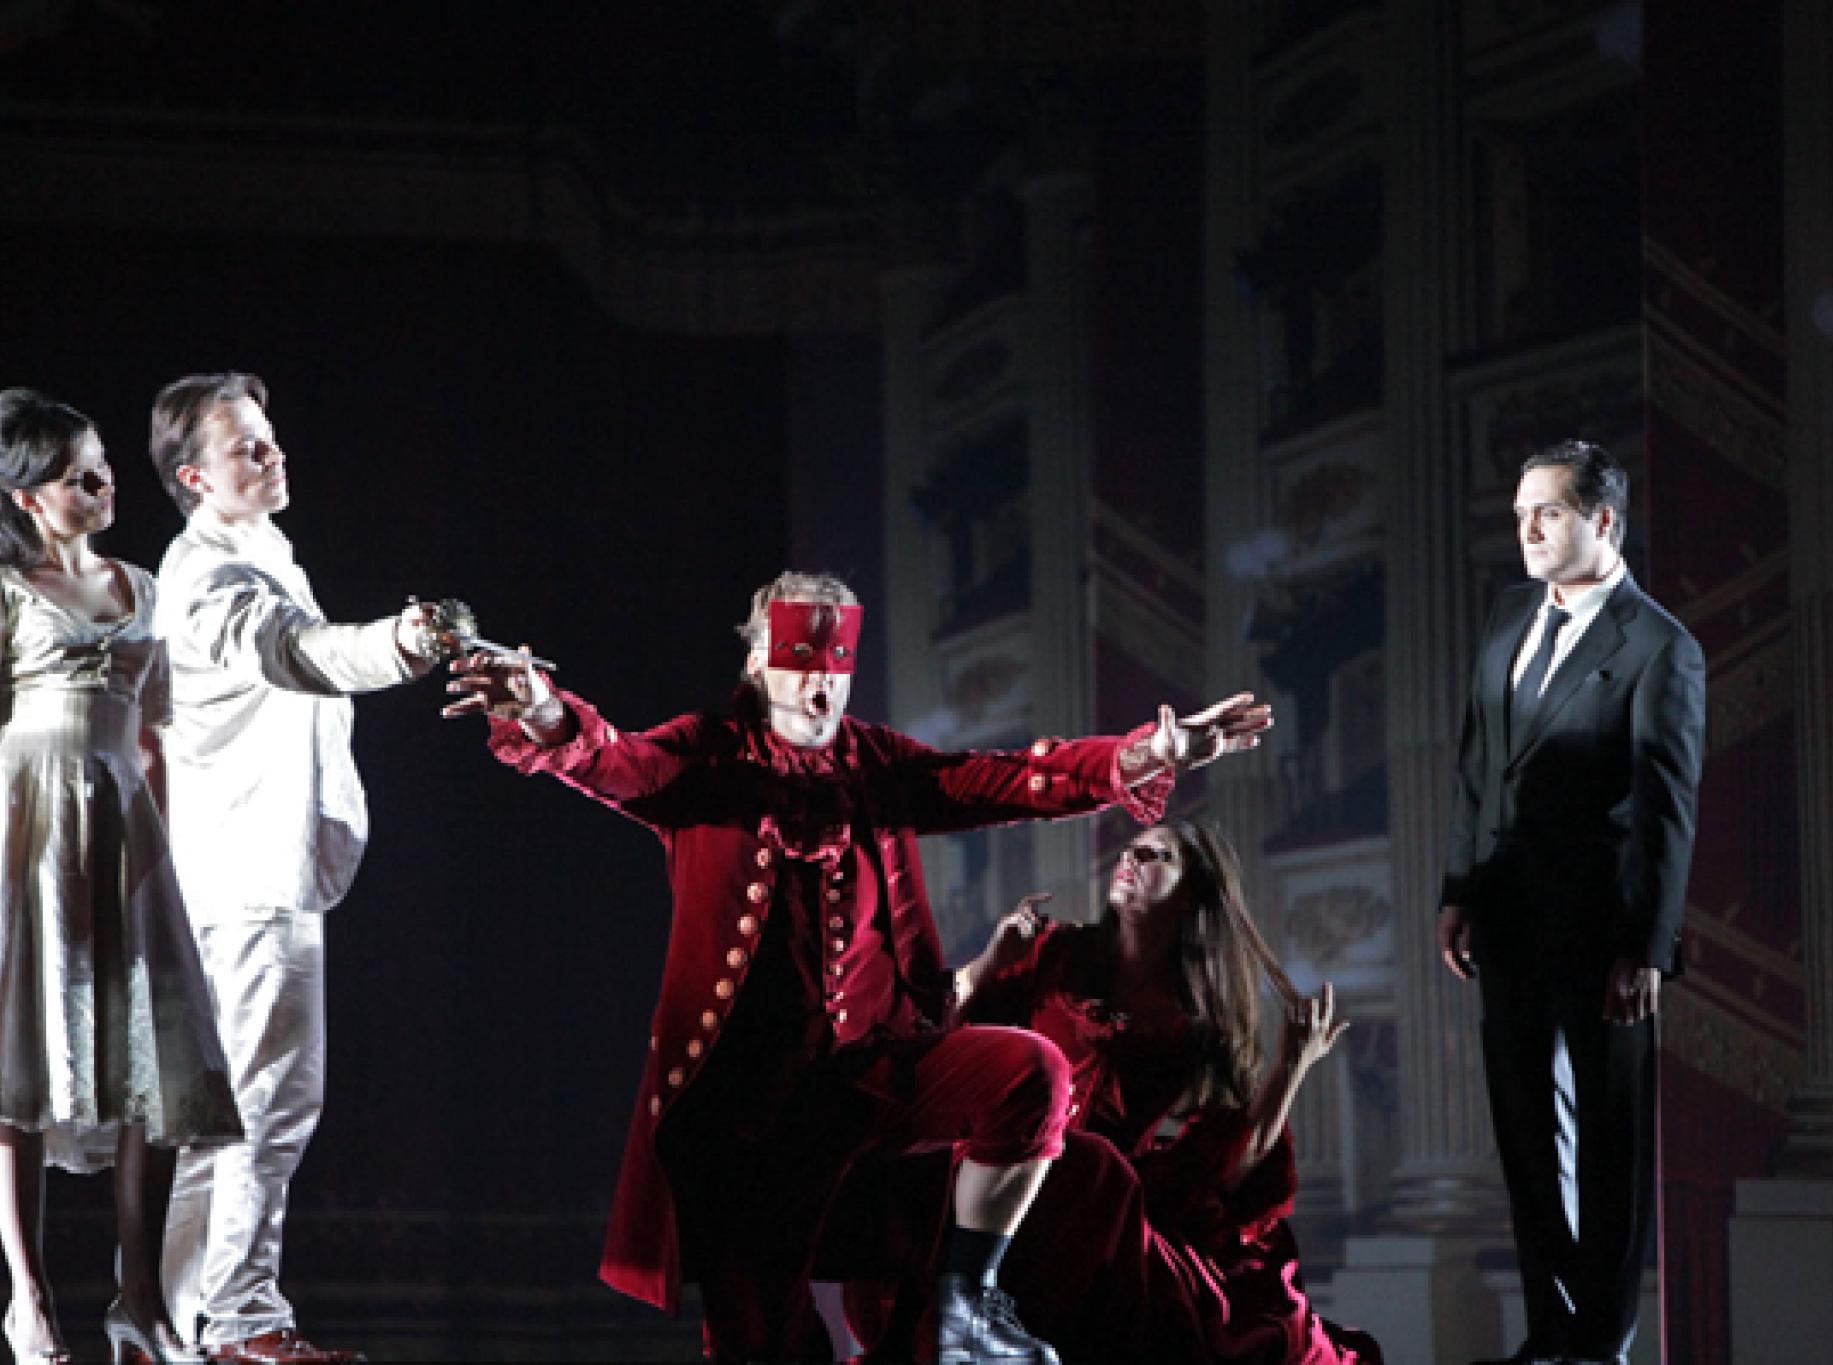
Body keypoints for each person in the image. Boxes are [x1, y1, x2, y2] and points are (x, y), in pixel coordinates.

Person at [441, 571, 1270, 1365]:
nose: (820, 690)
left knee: (1030, 1072)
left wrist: (1147, 751)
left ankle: (965, 1308)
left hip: (877, 1077)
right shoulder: (711, 755)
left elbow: (1014, 779)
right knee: (764, 1338)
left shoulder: (878, 766)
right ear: (759, 661)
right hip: (753, 1122)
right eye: (801, 664)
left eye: (836, 669)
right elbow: (616, 761)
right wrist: (546, 711)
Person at [838, 819, 1382, 1365]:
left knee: (1166, 1285)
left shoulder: (1197, 1024)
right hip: (1001, 1168)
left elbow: (1228, 1175)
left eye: (1157, 856)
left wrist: (1291, 1066)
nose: (1131, 857)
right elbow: (937, 1034)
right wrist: (991, 963)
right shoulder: (1054, 951)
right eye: (1130, 849)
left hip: (1093, 1207)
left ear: (1193, 893)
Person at [147, 373, 447, 1365]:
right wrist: (405, 645)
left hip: (238, 873)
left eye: (270, 440)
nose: (272, 455)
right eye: (246, 448)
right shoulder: (212, 579)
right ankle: (236, 1325)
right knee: (268, 1107)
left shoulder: (258, 555)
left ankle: (192, 1329)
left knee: (224, 1117)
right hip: (249, 877)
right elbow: (302, 655)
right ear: (194, 476)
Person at [1438, 440, 1706, 1365]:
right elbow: (1481, 762)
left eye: (1546, 511)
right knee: (1523, 1135)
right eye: (1519, 513)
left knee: (1610, 1146)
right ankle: (1552, 1330)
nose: (1527, 529)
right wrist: (1459, 889)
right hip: (1505, 923)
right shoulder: (1509, 613)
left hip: (1604, 935)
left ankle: (1600, 1342)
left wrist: (1649, 949)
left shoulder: (1662, 645)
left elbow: (1667, 811)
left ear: (1602, 519)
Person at [0, 389, 243, 1365]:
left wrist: (166, 851)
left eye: (102, 465)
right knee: (16, 1061)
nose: (101, 483)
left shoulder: (143, 586)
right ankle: (27, 1298)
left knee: (156, 1057)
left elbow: (154, 733)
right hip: (25, 825)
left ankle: (137, 1297)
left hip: (126, 826)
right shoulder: (10, 594)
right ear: (27, 499)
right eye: (75, 475)